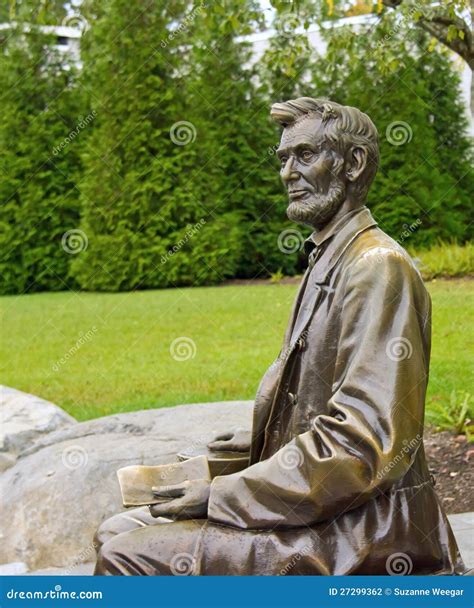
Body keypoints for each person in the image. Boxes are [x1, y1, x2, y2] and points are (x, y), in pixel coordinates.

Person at [94, 98, 464, 576]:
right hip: (331, 506)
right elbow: (320, 406)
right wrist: (250, 444)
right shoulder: (329, 258)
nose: (288, 172)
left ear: (352, 164)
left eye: (305, 155)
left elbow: (363, 446)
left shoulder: (377, 269)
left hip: (367, 529)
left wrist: (222, 495)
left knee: (129, 556)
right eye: (283, 159)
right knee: (117, 531)